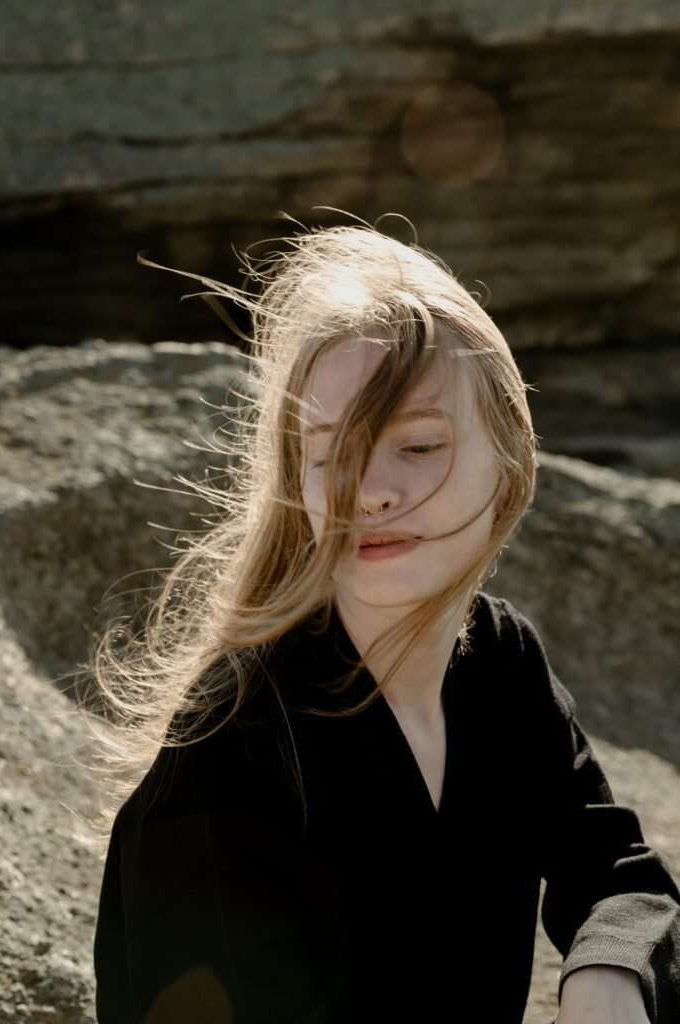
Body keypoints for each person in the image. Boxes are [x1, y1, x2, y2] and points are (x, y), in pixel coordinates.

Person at [92, 218, 680, 1024]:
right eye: (332, 455)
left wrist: (607, 974)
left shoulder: (500, 660)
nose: (369, 491)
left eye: (418, 445)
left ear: (508, 463)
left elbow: (615, 871)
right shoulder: (226, 751)